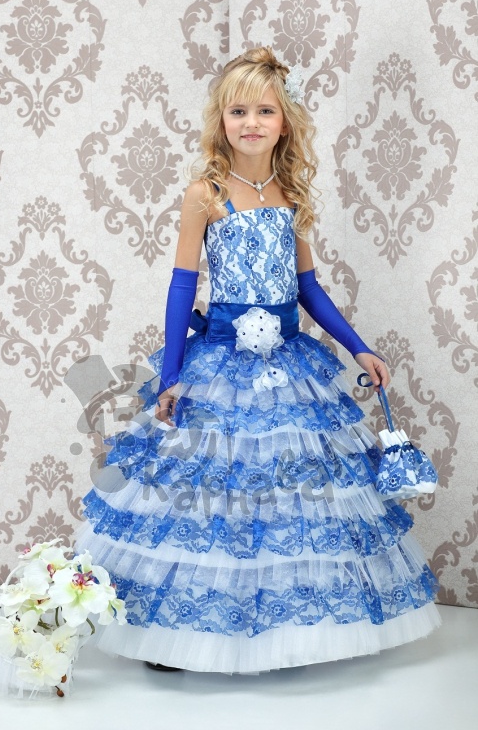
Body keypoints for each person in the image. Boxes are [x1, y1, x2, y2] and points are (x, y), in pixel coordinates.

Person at [73, 46, 442, 675]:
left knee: (289, 492)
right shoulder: (206, 193)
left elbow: (308, 288)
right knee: (211, 490)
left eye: (264, 111)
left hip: (289, 363)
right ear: (221, 120)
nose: (251, 122)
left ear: (284, 121)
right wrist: (170, 377)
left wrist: (358, 346)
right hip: (219, 359)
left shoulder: (290, 194)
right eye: (238, 111)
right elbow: (182, 285)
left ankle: (287, 632)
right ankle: (183, 633)